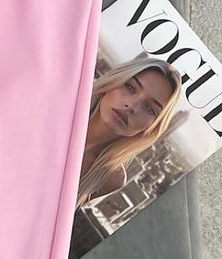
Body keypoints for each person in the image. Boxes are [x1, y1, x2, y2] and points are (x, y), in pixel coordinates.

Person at [76, 56, 182, 208]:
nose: (132, 106)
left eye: (149, 108)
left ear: (151, 129)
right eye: (130, 87)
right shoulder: (56, 105)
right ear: (113, 82)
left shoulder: (110, 179)